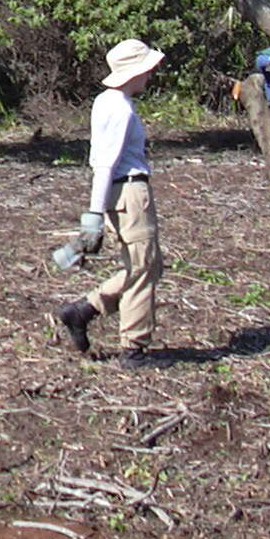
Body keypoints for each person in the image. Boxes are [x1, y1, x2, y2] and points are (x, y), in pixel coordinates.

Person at [55, 38, 167, 369]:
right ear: (136, 72)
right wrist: (93, 216)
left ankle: (83, 311)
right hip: (129, 193)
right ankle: (133, 350)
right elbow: (105, 163)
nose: (151, 74)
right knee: (143, 268)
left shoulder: (106, 101)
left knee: (149, 265)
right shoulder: (120, 109)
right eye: (148, 69)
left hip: (122, 193)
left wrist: (99, 210)